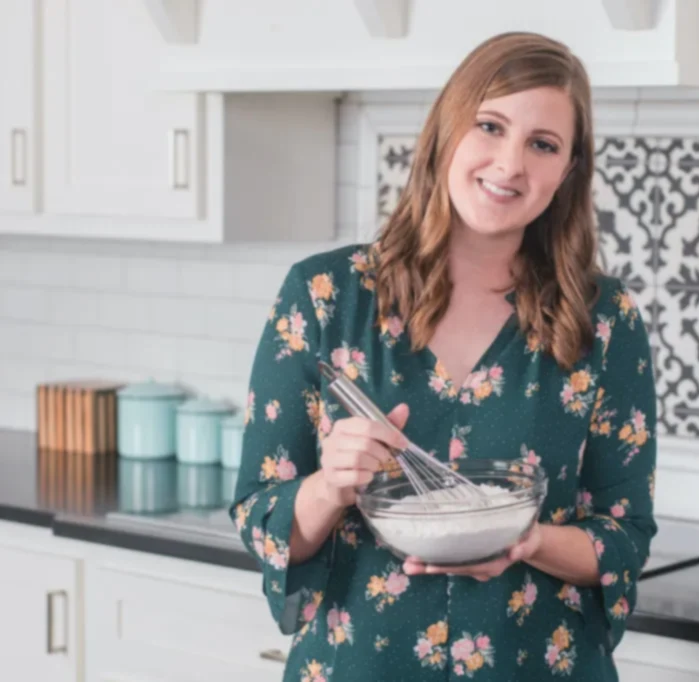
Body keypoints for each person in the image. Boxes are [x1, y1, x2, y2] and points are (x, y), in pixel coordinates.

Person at [230, 30, 658, 681]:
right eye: (490, 126)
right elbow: (263, 522)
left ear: (568, 171)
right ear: (446, 131)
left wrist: (530, 541)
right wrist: (330, 484)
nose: (510, 164)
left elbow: (624, 538)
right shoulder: (323, 297)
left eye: (542, 144)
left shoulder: (605, 321)